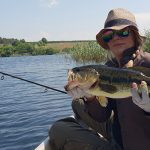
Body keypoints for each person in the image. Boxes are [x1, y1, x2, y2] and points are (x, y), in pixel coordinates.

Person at [49, 8, 150, 150]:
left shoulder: (147, 62)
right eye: (109, 35)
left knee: (59, 131)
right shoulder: (109, 66)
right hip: (119, 131)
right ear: (107, 42)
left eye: (123, 32)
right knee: (77, 104)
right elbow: (102, 115)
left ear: (135, 36)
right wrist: (90, 97)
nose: (115, 38)